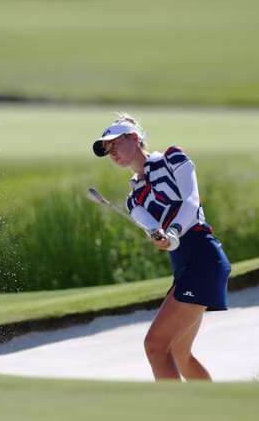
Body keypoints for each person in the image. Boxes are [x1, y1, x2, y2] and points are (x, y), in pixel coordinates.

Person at [91, 113, 231, 381]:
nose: (112, 153)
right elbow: (153, 226)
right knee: (178, 352)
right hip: (185, 266)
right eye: (107, 150)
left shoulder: (172, 158)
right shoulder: (133, 199)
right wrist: (159, 236)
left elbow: (191, 200)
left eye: (114, 144)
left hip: (203, 256)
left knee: (155, 346)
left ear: (134, 138)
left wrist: (174, 231)